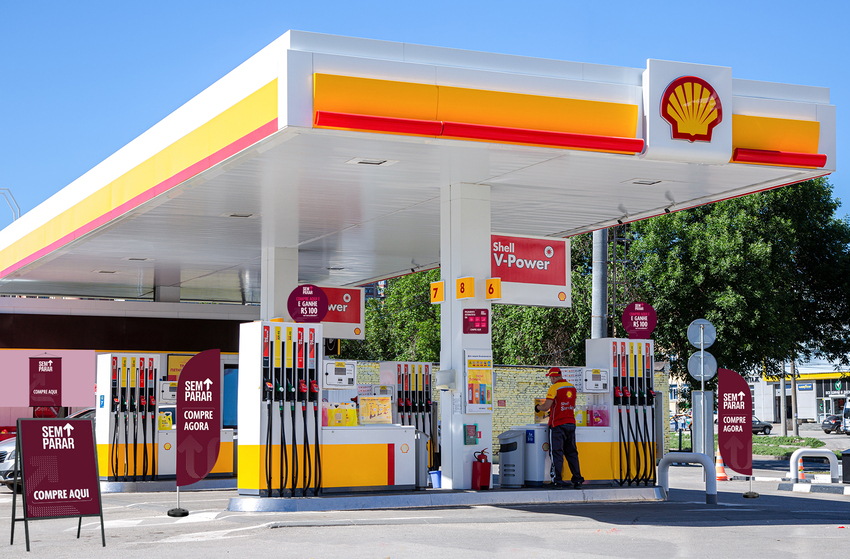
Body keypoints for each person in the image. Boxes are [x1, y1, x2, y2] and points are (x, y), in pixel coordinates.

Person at [534, 367, 584, 489]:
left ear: (554, 377)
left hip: (557, 425)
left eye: (550, 377)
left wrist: (537, 407)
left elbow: (546, 407)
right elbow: (567, 404)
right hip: (571, 423)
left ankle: (557, 480)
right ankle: (577, 480)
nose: (550, 379)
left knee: (556, 453)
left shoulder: (554, 388)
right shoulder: (572, 387)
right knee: (572, 453)